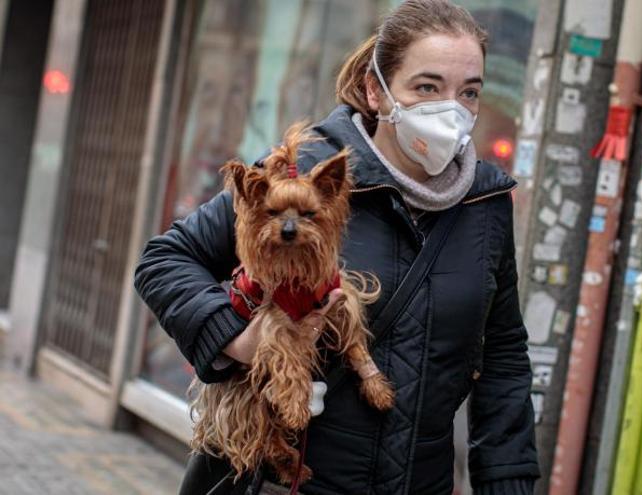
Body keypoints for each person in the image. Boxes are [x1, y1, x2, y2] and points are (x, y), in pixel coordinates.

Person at [134, 1, 539, 493]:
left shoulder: (486, 202)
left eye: (468, 92)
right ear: (376, 91)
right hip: (289, 480)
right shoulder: (303, 173)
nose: (450, 108)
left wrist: (508, 482)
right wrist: (236, 341)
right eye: (427, 87)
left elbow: (501, 355)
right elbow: (166, 260)